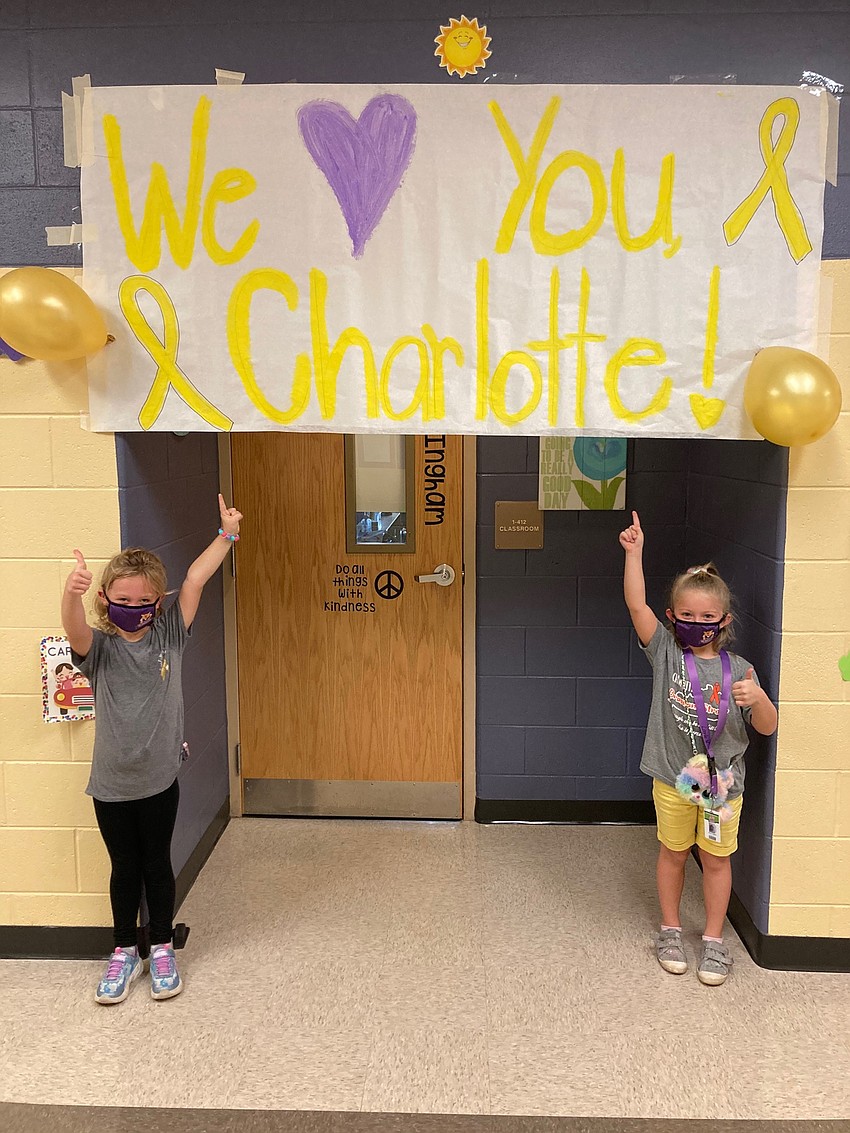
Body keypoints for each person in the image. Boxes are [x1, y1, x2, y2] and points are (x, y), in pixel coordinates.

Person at [61, 494, 242, 1004]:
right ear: (104, 599)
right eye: (123, 599)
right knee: (124, 869)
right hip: (111, 786)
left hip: (160, 781)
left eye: (144, 601)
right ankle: (124, 951)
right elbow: (73, 628)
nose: (134, 608)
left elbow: (196, 580)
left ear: (158, 603)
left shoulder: (170, 635)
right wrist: (71, 594)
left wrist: (227, 534)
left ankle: (161, 946)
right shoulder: (99, 650)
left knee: (157, 865)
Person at [619, 510, 777, 986]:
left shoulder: (740, 669)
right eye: (686, 615)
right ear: (672, 617)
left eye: (707, 617)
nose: (696, 623)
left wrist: (759, 699)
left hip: (722, 789)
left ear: (724, 621)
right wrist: (634, 553)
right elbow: (636, 606)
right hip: (671, 780)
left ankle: (713, 939)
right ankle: (670, 930)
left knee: (716, 860)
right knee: (672, 852)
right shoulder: (666, 652)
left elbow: (767, 727)